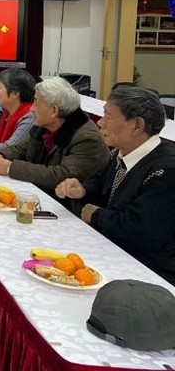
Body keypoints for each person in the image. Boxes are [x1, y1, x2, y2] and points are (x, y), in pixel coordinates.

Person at [56, 86, 175, 285]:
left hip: (149, 273)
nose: (100, 123)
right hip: (111, 247)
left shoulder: (167, 170)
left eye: (108, 116)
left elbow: (141, 230)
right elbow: (102, 184)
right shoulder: (120, 152)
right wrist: (82, 190)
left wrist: (95, 214)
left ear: (136, 125)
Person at [0, 76, 110, 200]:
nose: (31, 109)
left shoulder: (87, 138)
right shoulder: (45, 125)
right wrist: (0, 156)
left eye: (36, 103)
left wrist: (9, 167)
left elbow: (63, 176)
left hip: (70, 207)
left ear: (53, 110)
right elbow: (23, 149)